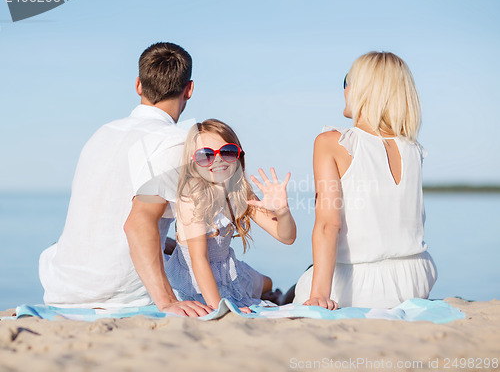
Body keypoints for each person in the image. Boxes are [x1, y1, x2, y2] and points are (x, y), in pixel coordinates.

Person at [39, 42, 211, 317]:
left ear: (138, 86)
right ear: (189, 89)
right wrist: (167, 302)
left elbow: (110, 217)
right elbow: (137, 223)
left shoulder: (102, 133)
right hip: (119, 294)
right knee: (238, 273)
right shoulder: (176, 141)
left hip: (62, 287)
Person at [293, 51, 437, 309]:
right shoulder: (414, 149)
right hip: (416, 279)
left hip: (365, 285)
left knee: (304, 282)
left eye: (347, 80)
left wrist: (319, 296)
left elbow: (328, 225)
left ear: (363, 89)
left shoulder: (333, 143)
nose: (344, 88)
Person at [165, 119, 296, 312]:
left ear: (238, 156)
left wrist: (283, 211)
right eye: (206, 155)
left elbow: (287, 237)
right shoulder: (192, 196)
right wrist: (222, 308)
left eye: (227, 152)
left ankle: (272, 295)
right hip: (196, 274)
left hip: (227, 268)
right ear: (193, 164)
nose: (218, 160)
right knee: (248, 294)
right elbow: (199, 260)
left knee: (268, 283)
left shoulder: (239, 192)